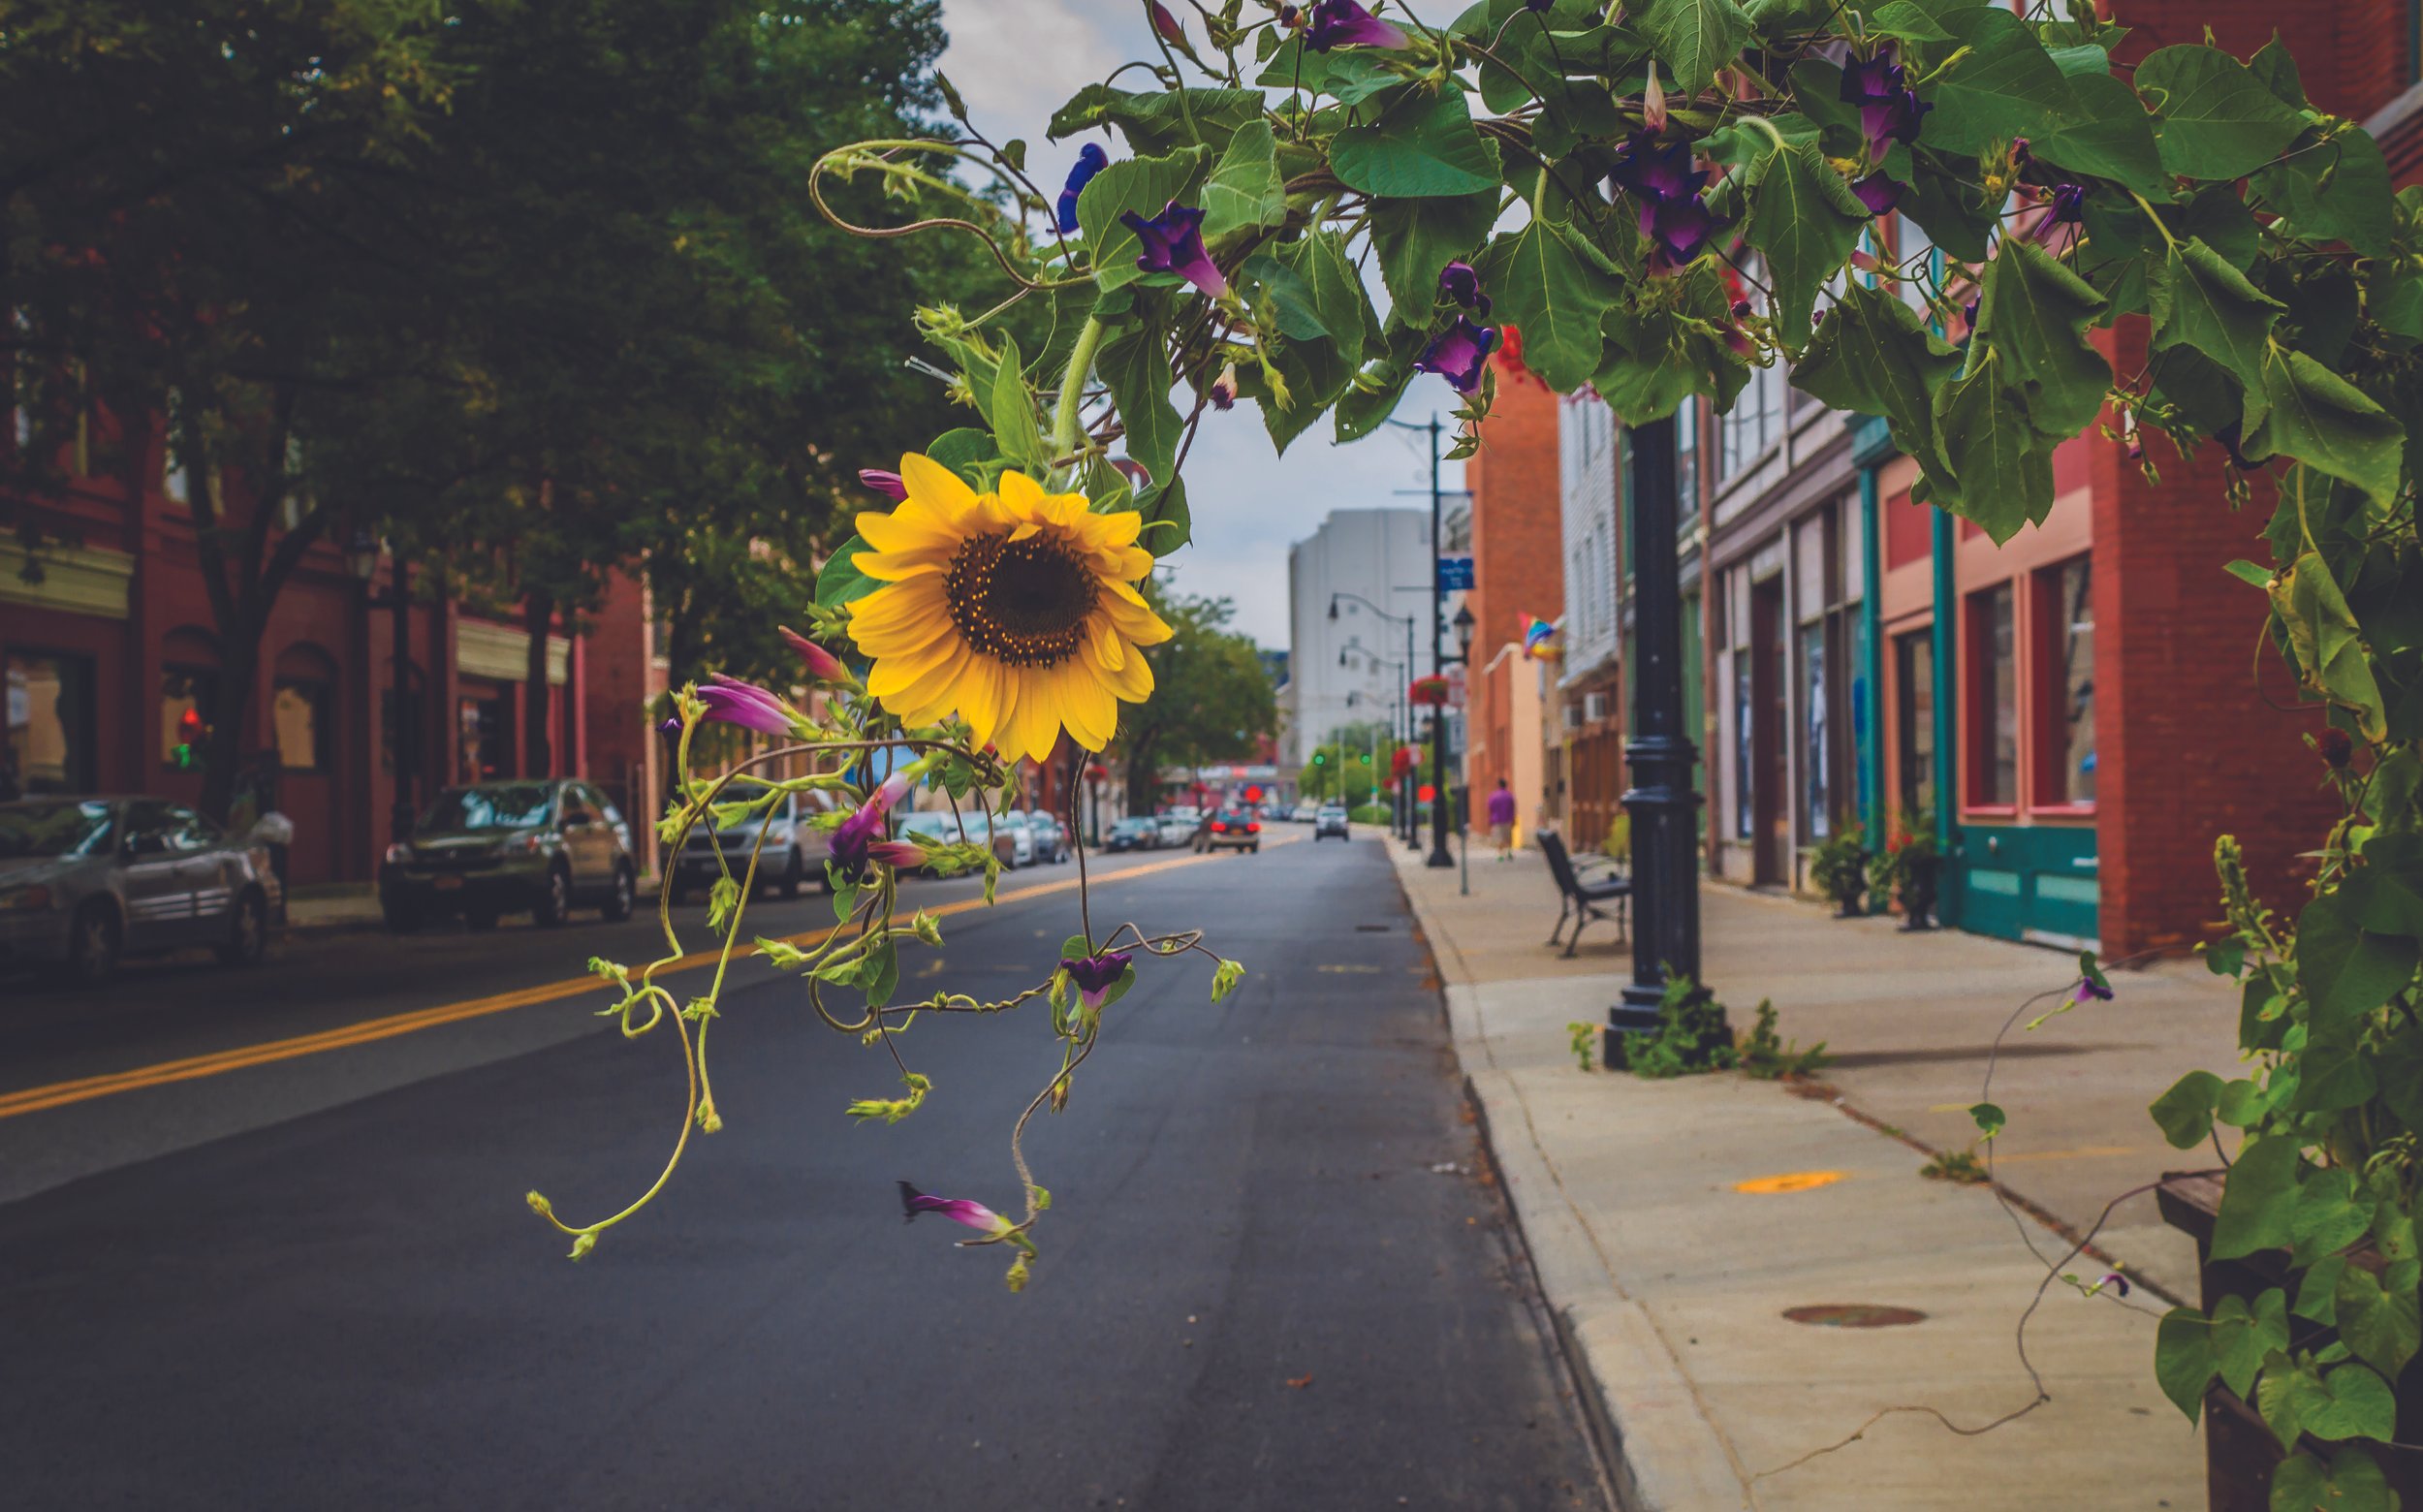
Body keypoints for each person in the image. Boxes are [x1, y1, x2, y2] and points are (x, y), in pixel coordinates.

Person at [1486, 778, 1517, 861]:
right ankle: (1509, 852)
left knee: (1499, 838)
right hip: (1507, 819)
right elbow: (1512, 808)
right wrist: (1513, 819)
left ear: (1498, 785)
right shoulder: (1509, 796)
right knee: (1508, 837)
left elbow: (1490, 808)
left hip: (1497, 820)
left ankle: (1500, 855)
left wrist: (1490, 819)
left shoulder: (1493, 796)